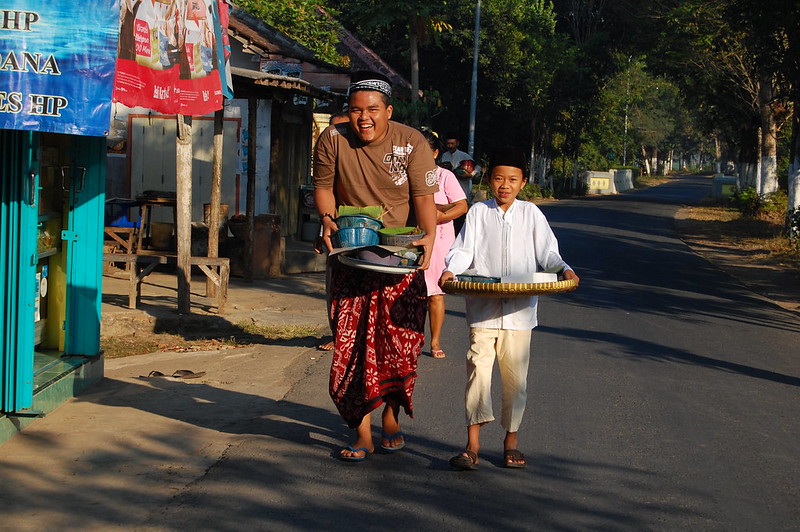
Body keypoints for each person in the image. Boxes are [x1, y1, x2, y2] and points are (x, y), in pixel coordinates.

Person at [313, 71, 439, 462]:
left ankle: (390, 415)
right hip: (352, 257)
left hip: (399, 260)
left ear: (388, 111)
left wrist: (429, 237)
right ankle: (362, 432)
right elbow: (323, 187)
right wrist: (327, 218)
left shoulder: (412, 142)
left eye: (372, 110)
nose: (363, 118)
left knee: (398, 346)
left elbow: (423, 197)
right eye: (354, 110)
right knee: (350, 346)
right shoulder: (332, 139)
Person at [438, 146, 580, 470]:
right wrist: (451, 269)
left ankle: (511, 440)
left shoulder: (532, 214)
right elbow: (463, 251)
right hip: (483, 311)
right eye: (499, 178)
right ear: (489, 180)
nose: (505, 185)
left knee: (516, 381)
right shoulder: (477, 212)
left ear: (523, 182)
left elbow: (549, 255)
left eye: (512, 179)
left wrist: (565, 269)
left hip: (520, 314)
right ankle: (471, 445)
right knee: (477, 374)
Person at [421, 130, 468, 359]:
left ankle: (435, 340)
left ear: (435, 153)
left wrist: (438, 216)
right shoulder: (404, 175)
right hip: (412, 237)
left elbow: (461, 206)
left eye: (425, 151)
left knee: (435, 292)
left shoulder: (445, 176)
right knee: (410, 292)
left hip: (439, 239)